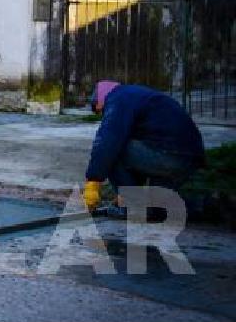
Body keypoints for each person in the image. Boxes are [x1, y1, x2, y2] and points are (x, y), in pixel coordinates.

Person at [82, 81, 206, 219]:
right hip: (188, 159)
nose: (103, 115)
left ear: (100, 101)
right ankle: (196, 207)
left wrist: (93, 181)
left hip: (169, 156)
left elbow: (107, 142)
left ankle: (133, 206)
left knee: (113, 150)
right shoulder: (133, 95)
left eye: (100, 111)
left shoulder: (118, 99)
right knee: (156, 210)